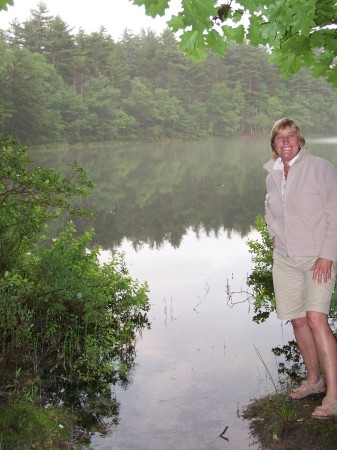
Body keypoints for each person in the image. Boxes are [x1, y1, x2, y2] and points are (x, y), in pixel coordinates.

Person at [264, 118, 337, 418]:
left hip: (316, 257)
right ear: (273, 144)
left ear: (300, 140)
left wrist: (327, 255)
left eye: (290, 136)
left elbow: (335, 212)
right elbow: (270, 209)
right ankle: (314, 380)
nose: (285, 142)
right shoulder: (272, 174)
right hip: (285, 258)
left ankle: (333, 397)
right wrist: (273, 236)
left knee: (317, 319)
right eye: (279, 137)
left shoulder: (320, 168)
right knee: (297, 321)